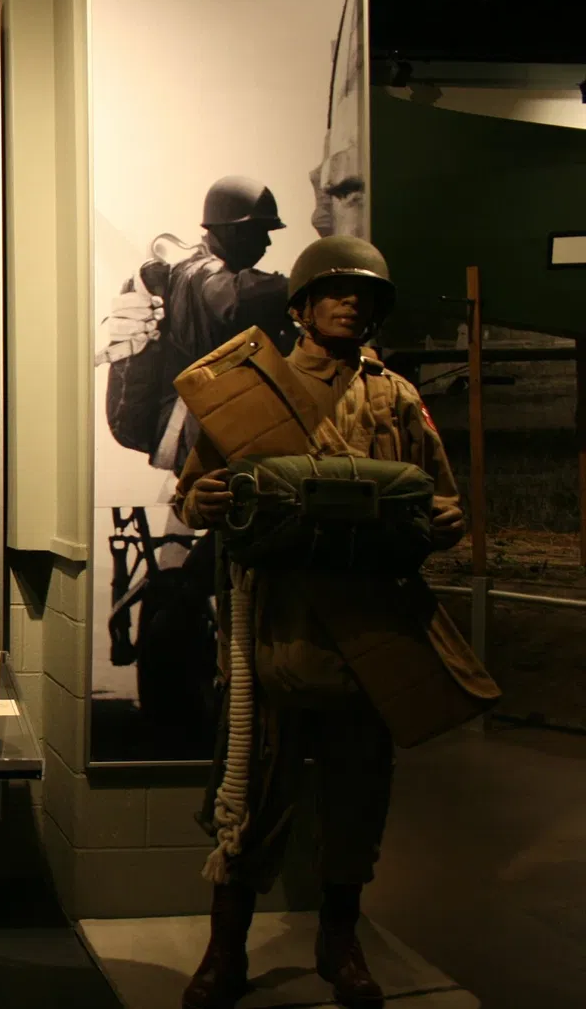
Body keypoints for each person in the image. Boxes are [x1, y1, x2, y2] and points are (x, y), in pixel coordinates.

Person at [174, 236, 490, 1009]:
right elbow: (193, 491)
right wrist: (203, 501)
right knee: (251, 800)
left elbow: (443, 501)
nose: (352, 304)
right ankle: (226, 949)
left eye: (365, 296)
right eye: (336, 292)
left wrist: (443, 521)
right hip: (277, 632)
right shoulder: (248, 392)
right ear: (303, 305)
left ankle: (339, 938)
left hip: (372, 633)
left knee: (357, 800)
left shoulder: (398, 398)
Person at [102, 176, 296, 475]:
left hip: (196, 429)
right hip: (193, 431)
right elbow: (237, 298)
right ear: (234, 232)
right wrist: (311, 280)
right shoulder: (203, 274)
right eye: (261, 232)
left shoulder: (193, 271)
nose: (268, 243)